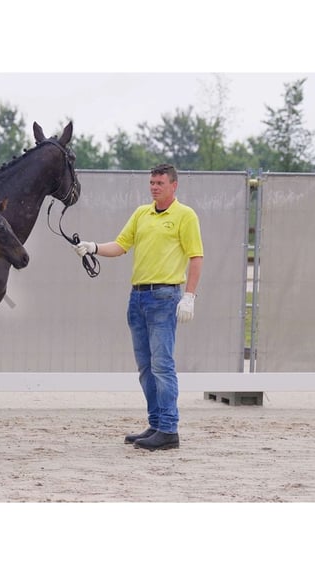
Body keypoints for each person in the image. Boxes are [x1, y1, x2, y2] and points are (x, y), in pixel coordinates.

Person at [74, 163, 203, 451]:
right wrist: (93, 247)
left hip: (165, 297)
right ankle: (156, 423)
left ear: (174, 185)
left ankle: (169, 428)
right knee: (146, 367)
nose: (154, 187)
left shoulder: (185, 216)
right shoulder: (141, 214)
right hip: (138, 298)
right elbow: (120, 245)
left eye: (160, 183)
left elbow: (196, 257)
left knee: (162, 365)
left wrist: (190, 296)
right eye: (152, 182)